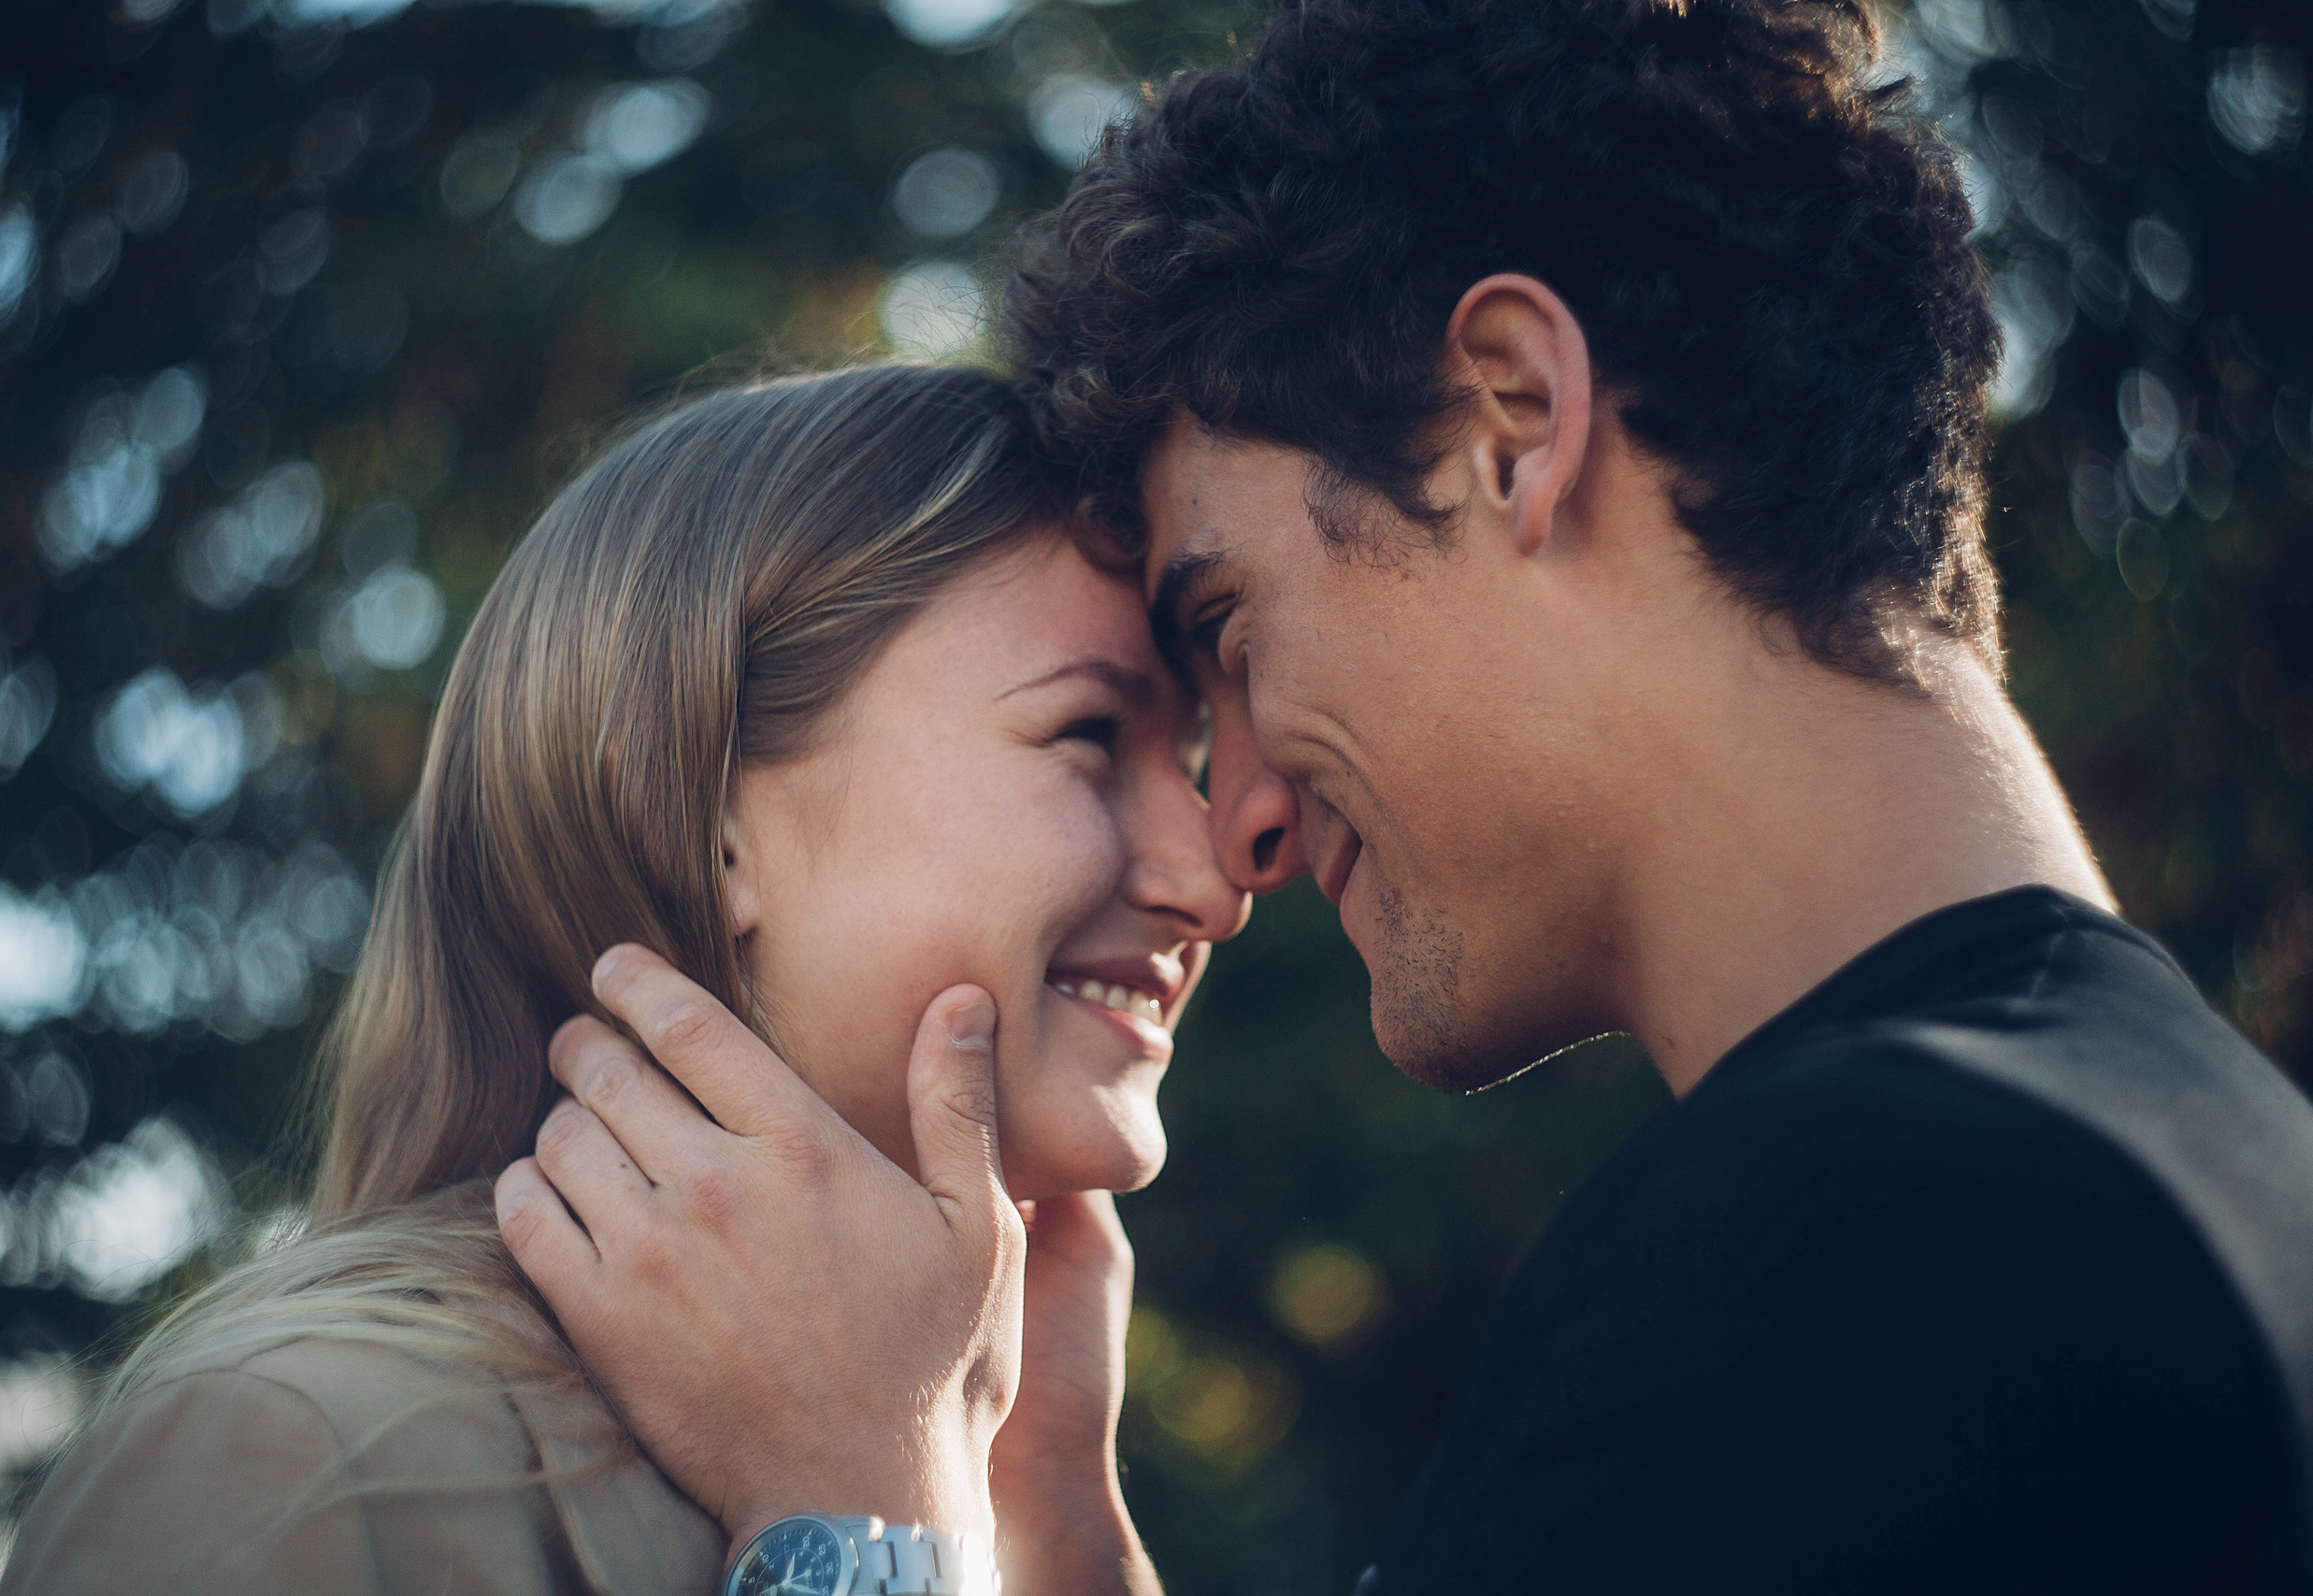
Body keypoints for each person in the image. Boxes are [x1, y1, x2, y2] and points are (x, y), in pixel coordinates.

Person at [495, 1, 2313, 1592]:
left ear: (1510, 419)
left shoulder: (1852, 1254)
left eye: (1225, 627)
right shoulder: (2207, 1172)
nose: (1240, 828)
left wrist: (847, 1521)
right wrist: (1059, 1532)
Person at [0, 363, 1245, 1596]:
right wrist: (868, 1528)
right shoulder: (292, 1458)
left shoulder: (1018, 1478)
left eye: (1190, 767)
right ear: (697, 820)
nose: (1215, 880)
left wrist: (1058, 1525)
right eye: (1089, 735)